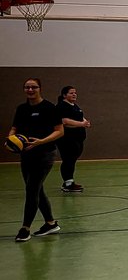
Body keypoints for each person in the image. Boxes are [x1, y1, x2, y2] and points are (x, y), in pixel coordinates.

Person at [10, 78, 64, 242]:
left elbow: (60, 131)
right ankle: (50, 223)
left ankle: (25, 228)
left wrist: (41, 141)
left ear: (40, 88)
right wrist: (10, 140)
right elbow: (14, 128)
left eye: (33, 87)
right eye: (27, 87)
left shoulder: (49, 108)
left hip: (45, 154)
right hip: (26, 154)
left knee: (32, 189)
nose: (30, 90)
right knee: (36, 189)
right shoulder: (22, 109)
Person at [56, 85, 91, 193]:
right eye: (71, 93)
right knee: (68, 160)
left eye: (75, 93)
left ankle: (69, 181)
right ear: (64, 95)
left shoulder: (74, 106)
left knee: (72, 160)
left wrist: (85, 122)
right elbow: (65, 121)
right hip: (67, 139)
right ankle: (68, 183)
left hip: (78, 138)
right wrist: (81, 124)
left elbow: (80, 116)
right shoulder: (62, 106)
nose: (74, 94)